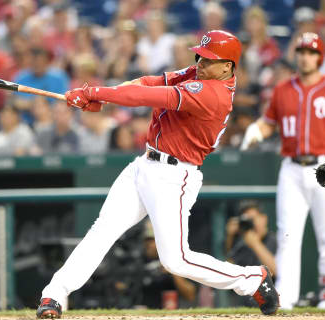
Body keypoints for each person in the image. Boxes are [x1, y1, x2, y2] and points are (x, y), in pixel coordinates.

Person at [36, 30, 279, 319]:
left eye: (210, 60)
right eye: (200, 56)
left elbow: (147, 96)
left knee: (176, 260)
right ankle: (54, 294)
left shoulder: (213, 94)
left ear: (228, 66)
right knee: (102, 231)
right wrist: (104, 98)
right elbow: (149, 82)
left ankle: (251, 279)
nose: (200, 63)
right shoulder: (198, 73)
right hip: (145, 165)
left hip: (175, 177)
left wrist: (94, 93)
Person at [241, 32, 325, 310]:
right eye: (301, 51)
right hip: (291, 166)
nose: (305, 56)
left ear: (320, 57)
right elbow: (268, 122)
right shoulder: (283, 89)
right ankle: (285, 295)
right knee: (287, 234)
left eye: (311, 52)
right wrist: (257, 130)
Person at [225, 202, 277, 307]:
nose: (251, 224)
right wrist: (230, 237)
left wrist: (255, 244)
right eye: (247, 220)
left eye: (253, 219)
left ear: (264, 218)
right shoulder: (242, 243)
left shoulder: (274, 240)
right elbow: (229, 270)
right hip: (244, 304)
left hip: (273, 300)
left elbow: (275, 271)